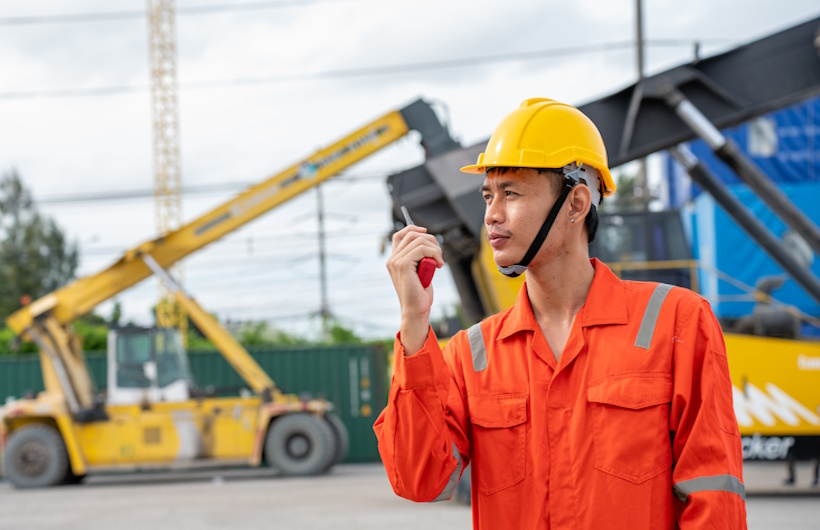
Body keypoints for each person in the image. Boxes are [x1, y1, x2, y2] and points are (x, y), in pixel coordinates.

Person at [374, 98, 747, 529]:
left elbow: (713, 494)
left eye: (510, 193)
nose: (491, 215)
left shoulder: (675, 323)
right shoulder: (471, 355)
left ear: (576, 203)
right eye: (488, 196)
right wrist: (414, 323)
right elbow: (421, 480)